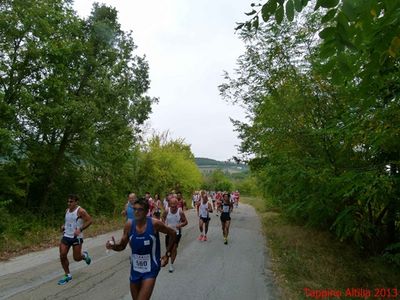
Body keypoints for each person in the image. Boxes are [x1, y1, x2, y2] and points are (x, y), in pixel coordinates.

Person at [106, 197, 176, 300]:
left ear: (147, 211)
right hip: (135, 269)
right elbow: (122, 246)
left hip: (151, 268)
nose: (136, 212)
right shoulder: (129, 225)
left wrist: (167, 255)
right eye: (135, 209)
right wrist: (113, 246)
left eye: (140, 209)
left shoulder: (155, 224)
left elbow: (173, 233)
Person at [58, 194, 92, 285]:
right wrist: (63, 226)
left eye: (71, 201)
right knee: (62, 255)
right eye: (68, 201)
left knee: (77, 258)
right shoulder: (67, 210)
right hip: (66, 236)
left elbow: (89, 220)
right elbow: (68, 222)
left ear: (76, 202)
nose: (69, 203)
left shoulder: (81, 211)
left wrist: (80, 229)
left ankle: (84, 255)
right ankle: (67, 275)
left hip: (77, 237)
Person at [161, 196, 188, 273]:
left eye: (174, 204)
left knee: (174, 248)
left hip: (177, 233)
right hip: (169, 232)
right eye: (171, 204)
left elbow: (185, 222)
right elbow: (162, 217)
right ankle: (167, 257)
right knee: (168, 249)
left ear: (177, 204)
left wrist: (180, 225)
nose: (173, 206)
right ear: (169, 204)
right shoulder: (167, 211)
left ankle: (171, 264)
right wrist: (164, 224)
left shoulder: (180, 212)